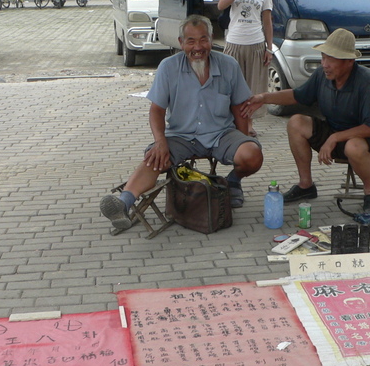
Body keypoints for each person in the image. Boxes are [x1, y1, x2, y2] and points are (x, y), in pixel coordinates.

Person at [100, 15, 263, 229]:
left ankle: (232, 182)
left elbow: (239, 108)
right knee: (155, 158)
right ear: (181, 43)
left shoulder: (228, 65)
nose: (198, 47)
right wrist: (160, 142)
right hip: (181, 136)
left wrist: (242, 139)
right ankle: (124, 204)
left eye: (203, 40)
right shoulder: (168, 67)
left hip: (221, 134)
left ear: (212, 39)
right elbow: (156, 110)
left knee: (252, 154)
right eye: (191, 41)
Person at [243, 28, 370, 215]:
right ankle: (306, 185)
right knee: (296, 122)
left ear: (349, 62)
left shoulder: (365, 80)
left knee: (353, 146)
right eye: (323, 57)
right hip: (335, 132)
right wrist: (264, 97)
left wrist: (334, 138)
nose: (325, 64)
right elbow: (297, 96)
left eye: (332, 59)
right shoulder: (322, 75)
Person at [217, 0, 274, 137]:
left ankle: (248, 124)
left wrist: (269, 48)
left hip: (256, 44)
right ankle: (232, 122)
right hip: (234, 43)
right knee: (232, 85)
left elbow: (267, 22)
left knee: (252, 87)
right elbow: (221, 5)